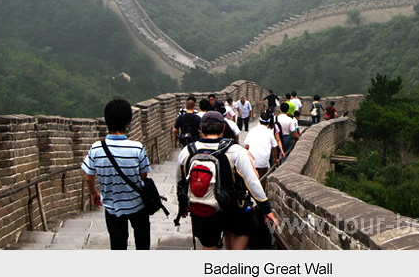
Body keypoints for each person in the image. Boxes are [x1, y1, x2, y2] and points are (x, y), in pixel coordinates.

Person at [176, 111, 278, 250]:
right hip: (233, 209)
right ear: (223, 128)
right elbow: (252, 182)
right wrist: (266, 209)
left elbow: (180, 182)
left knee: (209, 246)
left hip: (204, 208)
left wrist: (182, 206)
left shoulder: (187, 151)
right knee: (246, 227)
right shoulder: (235, 151)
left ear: (200, 129)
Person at [81, 97, 152, 250]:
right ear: (128, 122)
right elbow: (143, 176)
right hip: (137, 204)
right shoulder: (137, 148)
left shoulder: (96, 149)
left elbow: (88, 177)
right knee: (143, 242)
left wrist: (94, 192)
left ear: (107, 121)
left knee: (117, 244)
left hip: (113, 206)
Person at [244, 111, 284, 189]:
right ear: (268, 122)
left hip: (251, 161)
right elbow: (274, 147)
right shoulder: (269, 132)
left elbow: (246, 146)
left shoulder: (252, 130)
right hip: (263, 162)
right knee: (262, 181)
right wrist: (275, 159)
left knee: (251, 180)